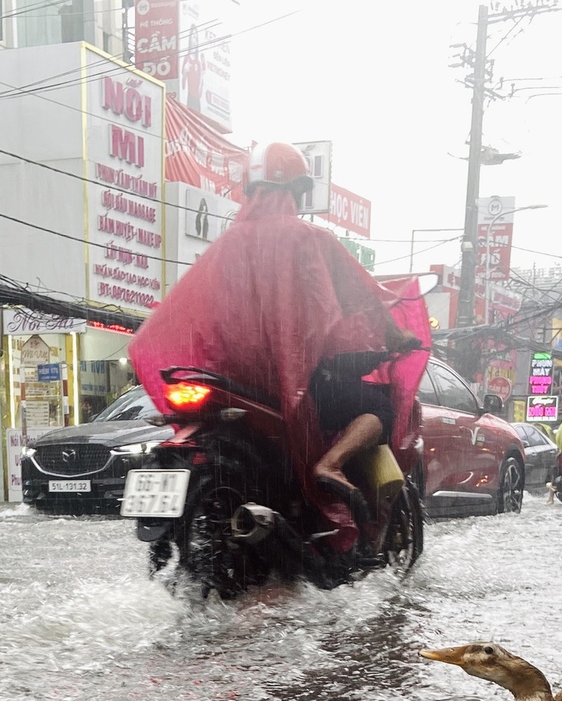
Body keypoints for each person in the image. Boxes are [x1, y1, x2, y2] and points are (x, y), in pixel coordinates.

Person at [128, 140, 430, 553]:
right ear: (296, 189)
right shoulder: (311, 239)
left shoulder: (225, 246)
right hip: (292, 384)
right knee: (379, 405)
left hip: (230, 381)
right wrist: (397, 338)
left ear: (250, 190)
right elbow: (363, 298)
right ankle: (331, 462)